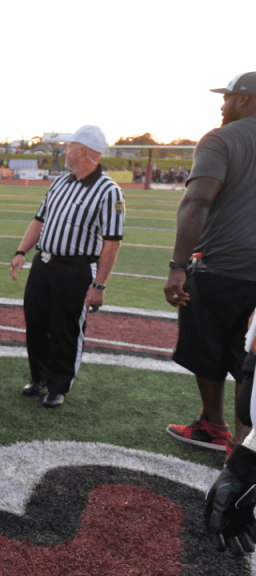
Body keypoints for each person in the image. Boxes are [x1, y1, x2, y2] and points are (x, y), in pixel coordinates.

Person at [165, 72, 256, 453]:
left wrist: (177, 265)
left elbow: (198, 200)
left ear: (246, 99)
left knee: (209, 348)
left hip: (222, 266)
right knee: (248, 362)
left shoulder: (220, 139)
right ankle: (243, 442)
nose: (222, 105)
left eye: (228, 97)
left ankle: (219, 430)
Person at [10, 125, 124, 409]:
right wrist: (21, 251)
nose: (65, 150)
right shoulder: (60, 182)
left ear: (83, 150)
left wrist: (99, 285)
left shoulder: (109, 190)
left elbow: (112, 243)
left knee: (66, 329)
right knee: (35, 323)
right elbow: (39, 220)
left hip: (76, 270)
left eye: (70, 146)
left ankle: (58, 386)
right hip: (44, 263)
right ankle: (38, 378)